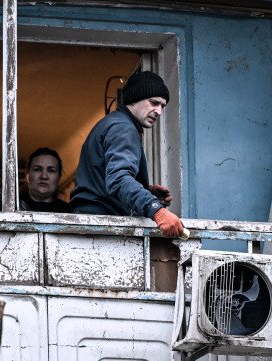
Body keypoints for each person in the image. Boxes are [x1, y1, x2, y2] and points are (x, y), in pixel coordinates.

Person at [70, 70, 186, 237]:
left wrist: (146, 190)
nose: (159, 111)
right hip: (102, 226)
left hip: (92, 221)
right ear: (134, 99)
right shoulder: (123, 128)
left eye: (162, 106)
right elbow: (118, 179)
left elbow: (104, 178)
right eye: (154, 102)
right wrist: (155, 209)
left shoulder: (112, 123)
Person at [23, 147, 71, 213]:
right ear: (27, 176)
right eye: (38, 169)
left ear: (59, 178)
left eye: (51, 170)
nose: (44, 176)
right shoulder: (12, 206)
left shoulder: (69, 213)